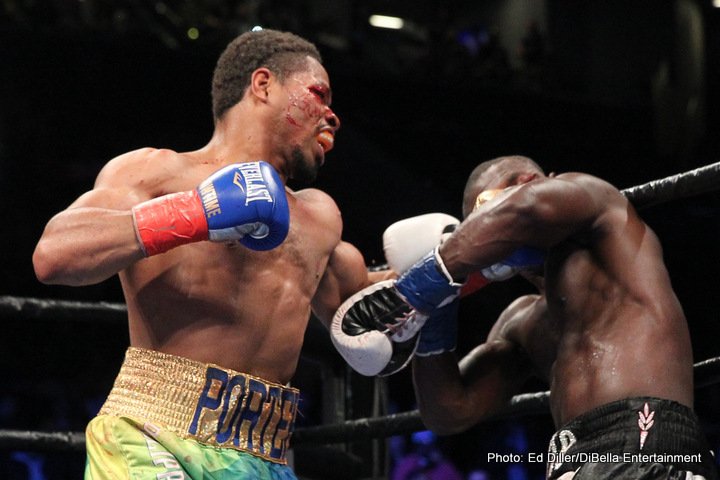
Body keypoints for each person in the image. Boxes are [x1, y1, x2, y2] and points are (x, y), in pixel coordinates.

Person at [32, 29, 384, 480]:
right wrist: (198, 211)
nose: (331, 115)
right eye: (318, 93)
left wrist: (456, 263)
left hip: (264, 457)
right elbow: (54, 254)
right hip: (152, 432)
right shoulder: (157, 172)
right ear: (263, 85)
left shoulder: (320, 218)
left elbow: (363, 309)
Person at [334, 155, 719, 479]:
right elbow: (449, 411)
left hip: (650, 445)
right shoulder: (523, 321)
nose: (483, 234)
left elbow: (528, 208)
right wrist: (439, 304)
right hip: (570, 462)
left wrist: (417, 287)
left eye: (486, 214)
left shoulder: (602, 209)